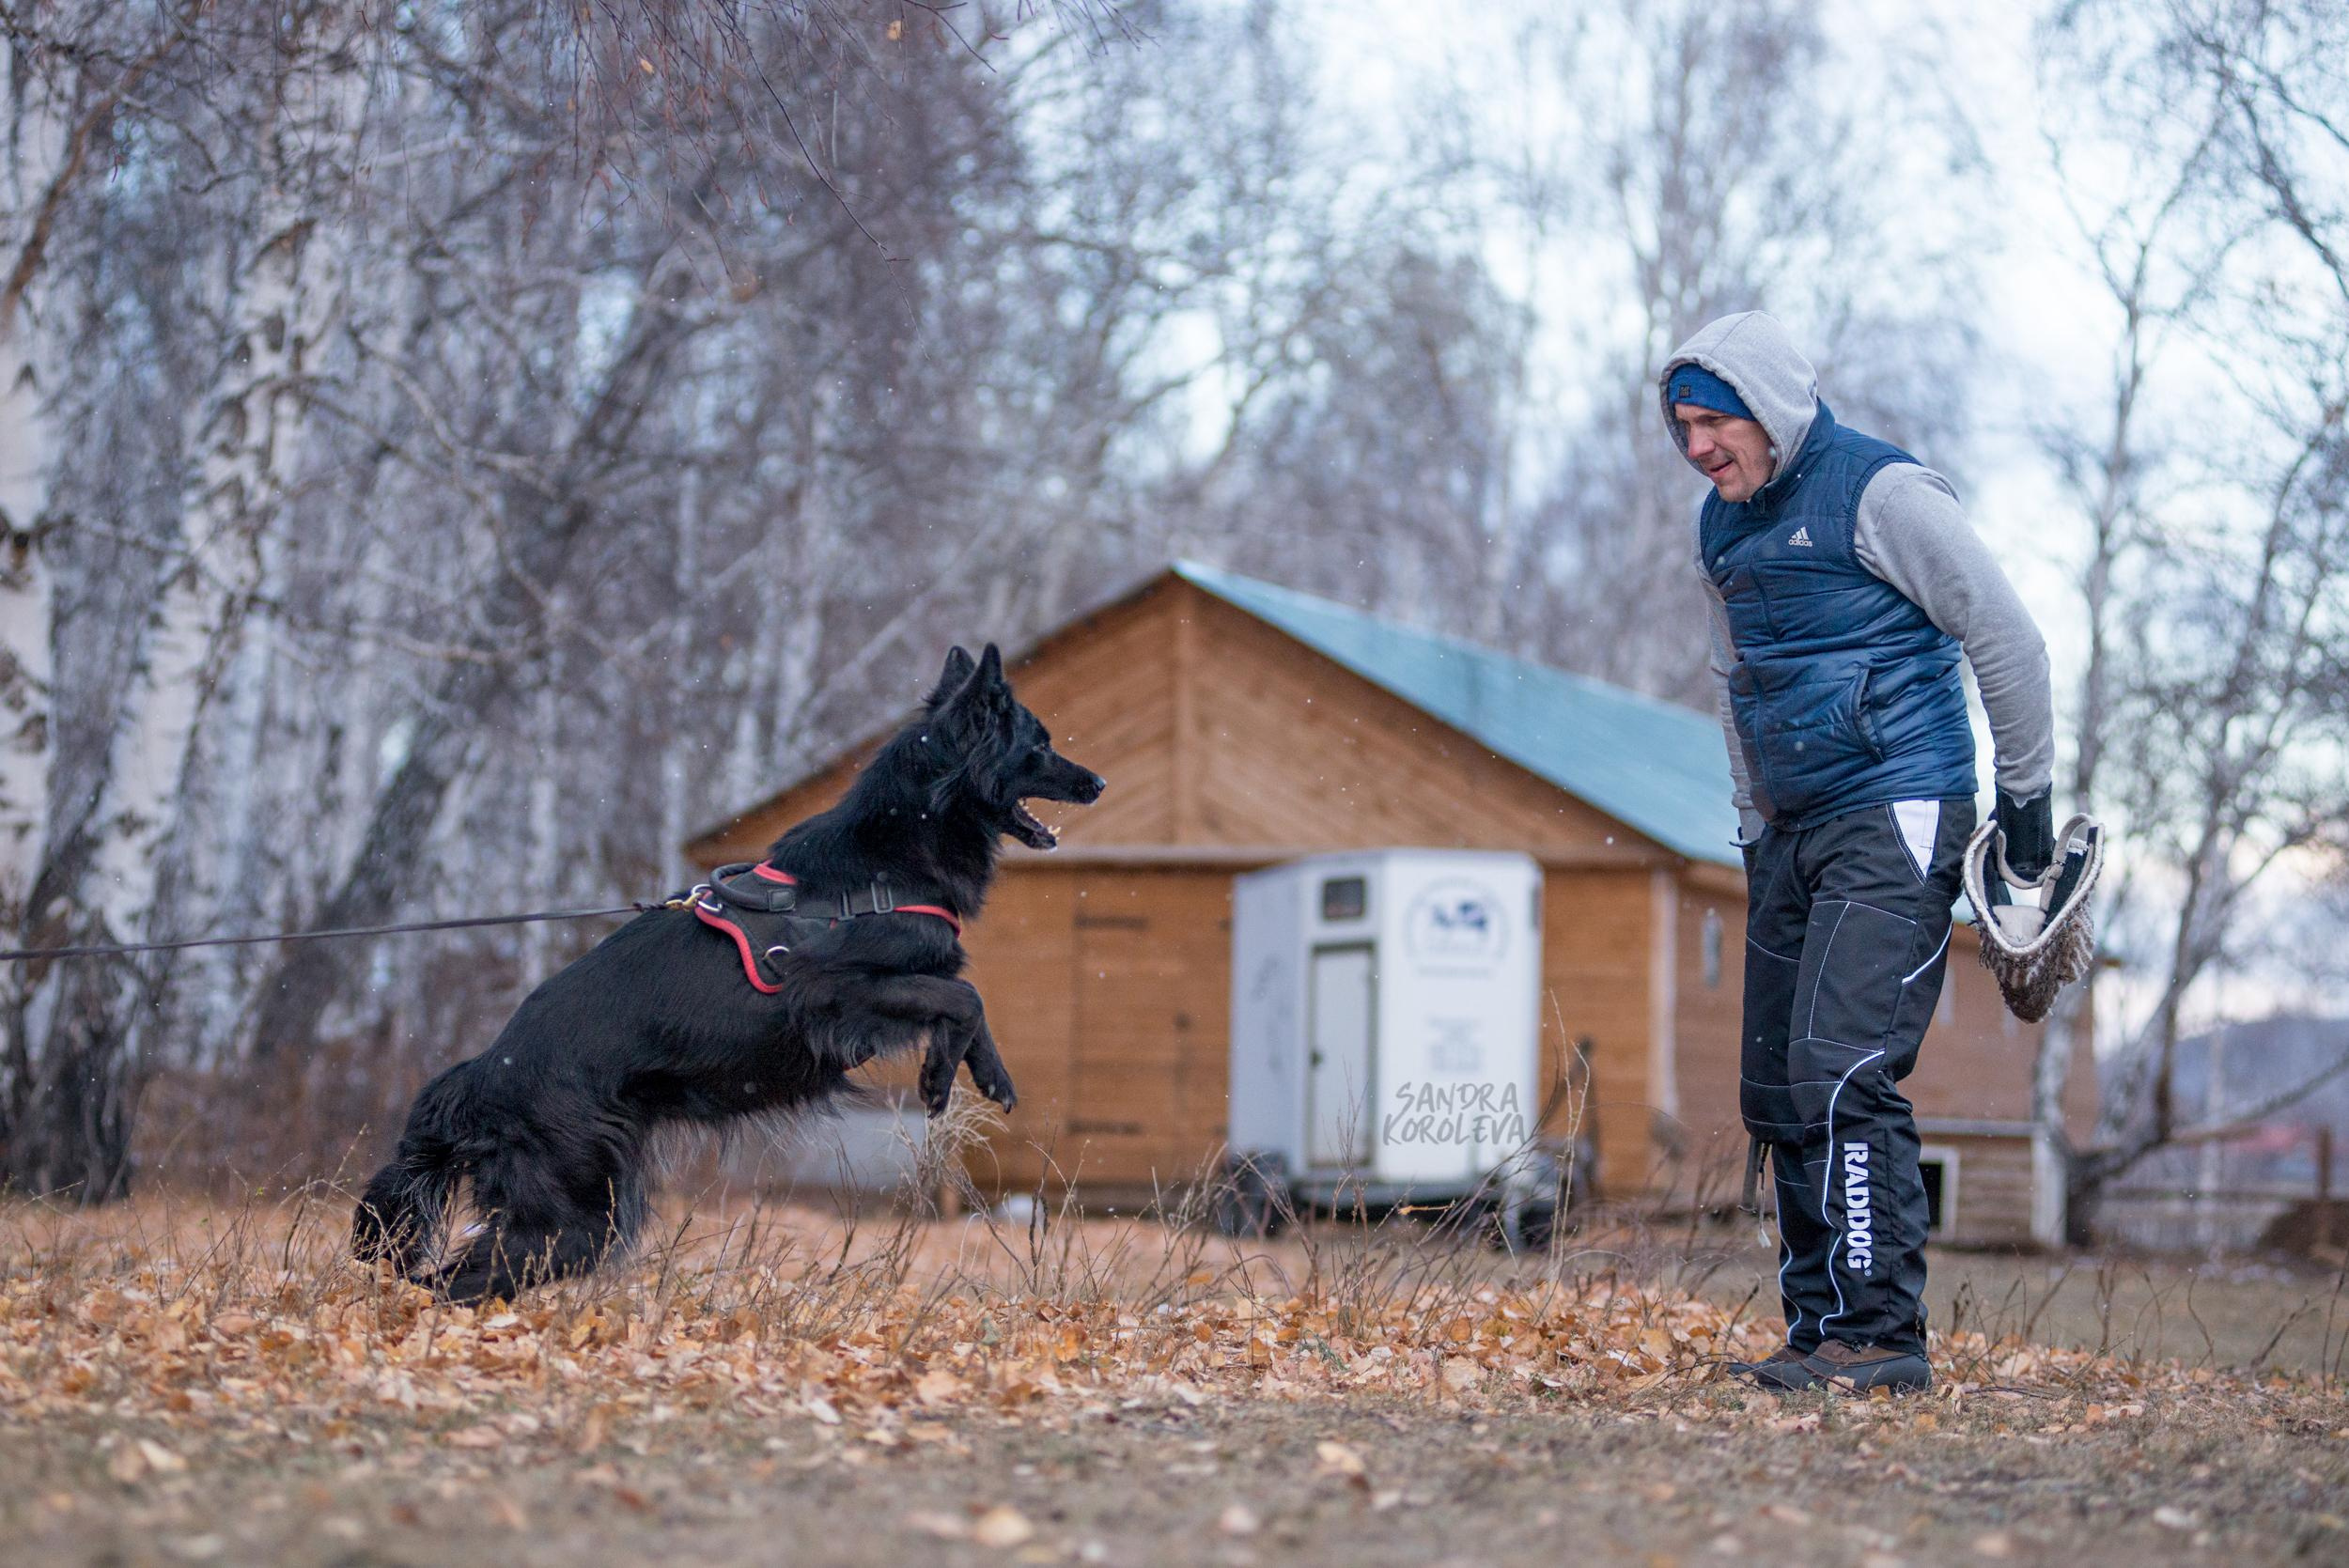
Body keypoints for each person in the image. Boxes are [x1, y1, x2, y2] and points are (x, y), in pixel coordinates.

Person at [1659, 312, 2054, 1394]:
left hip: (1898, 805)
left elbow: (2006, 636)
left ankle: (1880, 1337)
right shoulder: (1721, 526)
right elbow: (1733, 683)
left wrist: (2025, 806)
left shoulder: (1880, 494)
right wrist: (1749, 826)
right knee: (1778, 1090)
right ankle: (1818, 1327)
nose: (1696, 446)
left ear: (1771, 408)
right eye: (1681, 425)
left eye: (1713, 421)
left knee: (1844, 1068)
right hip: (1787, 828)